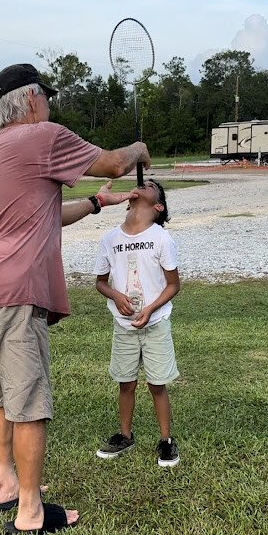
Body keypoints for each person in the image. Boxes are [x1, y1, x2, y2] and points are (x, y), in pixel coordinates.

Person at [0, 63, 151, 535]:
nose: (50, 106)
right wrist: (139, 148)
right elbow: (115, 163)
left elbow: (44, 214)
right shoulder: (43, 135)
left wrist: (99, 204)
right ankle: (31, 513)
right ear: (34, 99)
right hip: (15, 291)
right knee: (30, 403)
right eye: (49, 98)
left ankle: (5, 485)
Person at [94, 178, 181, 466]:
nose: (145, 182)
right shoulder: (110, 239)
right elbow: (100, 283)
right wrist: (116, 295)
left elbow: (172, 285)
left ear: (158, 206)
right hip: (123, 325)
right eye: (143, 182)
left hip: (156, 323)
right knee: (126, 383)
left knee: (157, 384)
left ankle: (166, 440)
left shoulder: (161, 238)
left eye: (152, 185)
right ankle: (125, 435)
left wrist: (151, 308)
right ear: (129, 200)